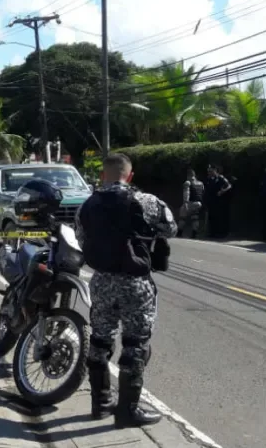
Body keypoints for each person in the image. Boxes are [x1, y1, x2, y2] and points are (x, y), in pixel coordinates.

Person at [75, 153, 177, 428]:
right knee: (135, 344)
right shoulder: (146, 201)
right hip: (135, 283)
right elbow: (171, 229)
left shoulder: (86, 205)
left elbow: (81, 239)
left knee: (100, 340)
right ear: (130, 175)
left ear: (102, 176)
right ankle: (127, 411)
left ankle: (100, 404)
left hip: (101, 281)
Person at [205, 165, 232, 238]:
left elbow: (229, 186)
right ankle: (212, 233)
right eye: (208, 171)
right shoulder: (208, 179)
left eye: (211, 171)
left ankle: (222, 233)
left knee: (220, 217)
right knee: (212, 217)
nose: (209, 173)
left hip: (219, 202)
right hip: (211, 201)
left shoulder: (221, 178)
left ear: (215, 171)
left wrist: (222, 191)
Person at [177, 168, 204, 239]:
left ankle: (179, 232)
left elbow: (186, 193)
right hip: (199, 203)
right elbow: (203, 193)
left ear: (188, 175)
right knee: (195, 218)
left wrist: (185, 203)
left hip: (190, 202)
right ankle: (194, 233)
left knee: (182, 217)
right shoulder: (201, 183)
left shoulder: (188, 182)